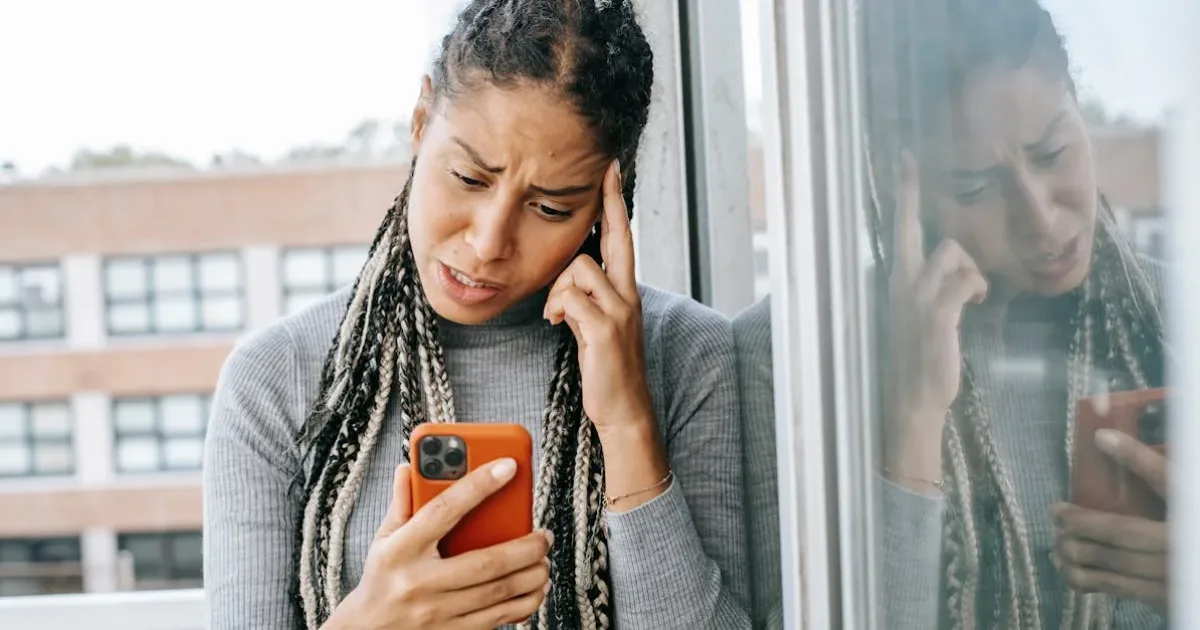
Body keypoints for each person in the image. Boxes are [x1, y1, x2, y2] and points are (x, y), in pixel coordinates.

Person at [202, 1, 750, 629]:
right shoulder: (276, 378)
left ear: (609, 198)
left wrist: (627, 424)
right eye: (468, 178)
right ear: (420, 121)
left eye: (550, 208)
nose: (489, 242)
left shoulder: (688, 354)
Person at [735, 0, 1171, 627]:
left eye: (1052, 152)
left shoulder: (1174, 315)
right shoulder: (789, 355)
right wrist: (912, 415)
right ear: (895, 185)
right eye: (976, 186)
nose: (1041, 216)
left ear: (1078, 104)